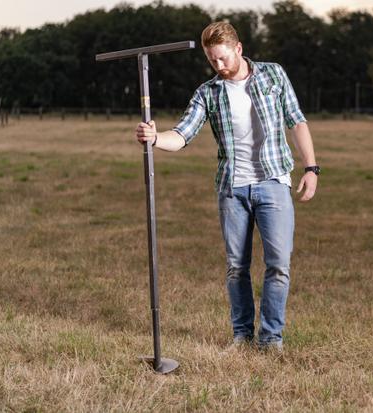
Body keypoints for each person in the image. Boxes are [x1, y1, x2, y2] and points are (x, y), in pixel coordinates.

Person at [135, 22, 319, 352]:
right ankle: (242, 335)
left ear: (238, 48)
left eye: (222, 58)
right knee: (237, 268)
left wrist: (311, 167)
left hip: (273, 182)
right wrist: (155, 138)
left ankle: (271, 338)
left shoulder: (273, 75)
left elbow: (297, 120)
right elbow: (182, 135)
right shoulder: (208, 92)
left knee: (278, 266)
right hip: (232, 189)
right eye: (211, 60)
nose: (218, 66)